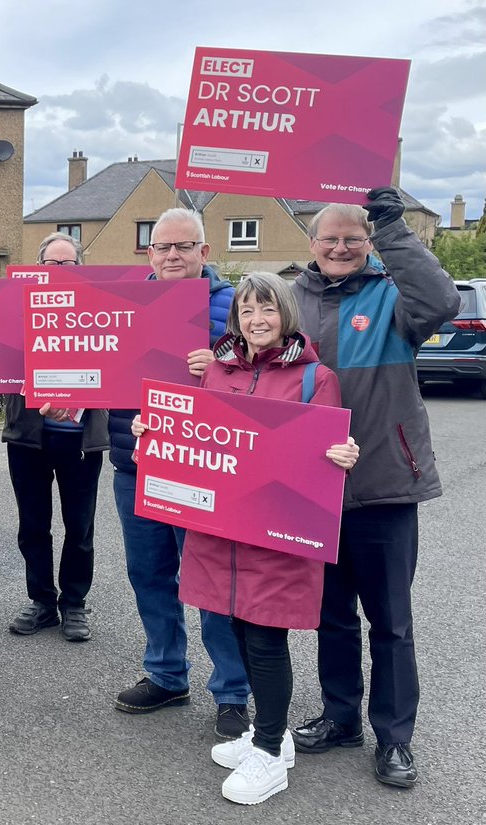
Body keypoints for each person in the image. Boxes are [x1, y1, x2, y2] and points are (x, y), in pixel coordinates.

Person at [133, 272, 360, 804]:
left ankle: (267, 750)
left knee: (264, 638)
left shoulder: (315, 377)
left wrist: (343, 457)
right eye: (248, 310)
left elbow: (324, 451)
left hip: (274, 532)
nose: (258, 320)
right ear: (236, 317)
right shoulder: (216, 369)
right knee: (232, 626)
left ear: (287, 315)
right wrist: (153, 435)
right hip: (220, 530)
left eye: (269, 310)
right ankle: (274, 738)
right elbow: (197, 438)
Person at [288, 187, 460, 788]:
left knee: (390, 622)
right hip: (313, 489)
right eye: (329, 238)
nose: (339, 247)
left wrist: (392, 225)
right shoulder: (291, 301)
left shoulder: (395, 298)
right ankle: (340, 719)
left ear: (368, 244)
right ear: (312, 244)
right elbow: (252, 367)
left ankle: (394, 739)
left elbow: (441, 298)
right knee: (331, 617)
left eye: (352, 238)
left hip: (384, 482)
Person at [108, 207, 251, 739]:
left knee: (211, 581)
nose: (172, 255)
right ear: (149, 253)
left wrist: (218, 369)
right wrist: (68, 398)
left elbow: (267, 379)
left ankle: (233, 691)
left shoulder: (238, 306)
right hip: (136, 461)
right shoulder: (125, 302)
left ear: (204, 253)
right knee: (149, 575)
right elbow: (102, 368)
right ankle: (166, 674)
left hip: (202, 468)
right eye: (163, 246)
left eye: (183, 247)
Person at [3, 232, 106, 642]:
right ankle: (43, 601)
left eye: (68, 265)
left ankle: (75, 603)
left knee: (79, 527)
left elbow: (116, 364)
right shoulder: (16, 309)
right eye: (51, 265)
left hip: (81, 438)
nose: (59, 272)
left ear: (80, 269)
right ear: (38, 269)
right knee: (33, 525)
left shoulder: (102, 310)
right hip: (29, 436)